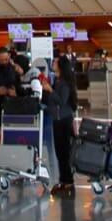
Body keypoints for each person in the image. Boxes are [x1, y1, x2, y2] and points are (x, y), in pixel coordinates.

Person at [47, 58, 79, 195]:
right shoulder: (59, 81)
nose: (52, 64)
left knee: (64, 152)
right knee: (60, 152)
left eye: (55, 62)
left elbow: (61, 100)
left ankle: (68, 182)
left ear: (60, 66)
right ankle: (64, 180)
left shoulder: (64, 83)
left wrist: (50, 90)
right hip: (58, 119)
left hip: (63, 121)